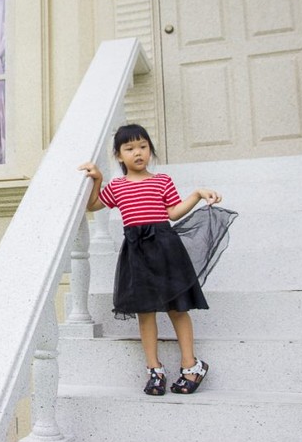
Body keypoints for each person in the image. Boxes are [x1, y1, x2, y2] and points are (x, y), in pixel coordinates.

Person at [78, 124, 236, 396]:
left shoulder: (162, 181)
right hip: (137, 253)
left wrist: (197, 194)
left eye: (143, 146)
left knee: (178, 308)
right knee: (145, 312)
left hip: (165, 249)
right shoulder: (117, 186)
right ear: (119, 155)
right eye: (129, 148)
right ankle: (154, 369)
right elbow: (92, 205)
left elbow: (173, 213)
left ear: (150, 150)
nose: (138, 152)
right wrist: (98, 178)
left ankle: (191, 365)